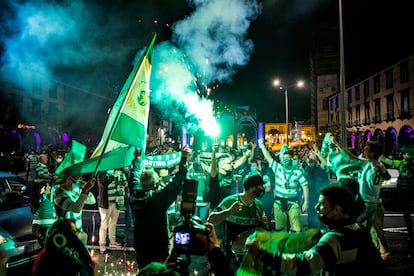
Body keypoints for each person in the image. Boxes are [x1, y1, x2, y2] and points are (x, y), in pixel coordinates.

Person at [246, 185, 393, 276]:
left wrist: (260, 253)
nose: (316, 208)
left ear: (337, 210)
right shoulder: (358, 229)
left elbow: (302, 265)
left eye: (321, 205)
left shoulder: (335, 239)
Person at [130, 146, 191, 270]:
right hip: (158, 248)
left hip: (140, 247)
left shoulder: (134, 193)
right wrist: (183, 159)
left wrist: (136, 159)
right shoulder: (158, 198)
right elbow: (177, 183)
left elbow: (134, 176)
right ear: (154, 184)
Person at [207, 173, 269, 270]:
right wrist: (229, 211)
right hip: (232, 254)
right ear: (252, 188)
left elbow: (262, 230)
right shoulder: (231, 201)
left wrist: (264, 224)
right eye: (260, 186)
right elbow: (211, 219)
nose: (262, 188)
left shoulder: (258, 205)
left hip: (253, 256)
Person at [258, 138, 309, 232]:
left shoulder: (297, 172)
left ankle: (296, 246)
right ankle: (281, 245)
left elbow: (305, 186)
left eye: (288, 158)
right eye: (284, 158)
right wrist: (261, 146)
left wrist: (305, 201)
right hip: (279, 202)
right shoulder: (278, 168)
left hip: (292, 202)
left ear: (291, 159)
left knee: (297, 229)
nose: (285, 160)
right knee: (280, 228)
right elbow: (269, 158)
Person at [380, 142, 414, 255]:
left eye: (407, 153)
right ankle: (410, 233)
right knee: (406, 213)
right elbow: (388, 161)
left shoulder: (408, 164)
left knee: (407, 213)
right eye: (404, 153)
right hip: (403, 193)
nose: (405, 156)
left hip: (410, 192)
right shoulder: (402, 164)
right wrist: (380, 155)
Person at [53, 170, 96, 245]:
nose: (79, 180)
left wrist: (86, 190)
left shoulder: (75, 191)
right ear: (66, 179)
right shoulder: (59, 194)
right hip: (66, 234)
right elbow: (76, 209)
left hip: (79, 231)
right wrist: (85, 190)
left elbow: (92, 201)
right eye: (72, 179)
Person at [97, 168, 127, 253]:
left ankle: (112, 242)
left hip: (117, 201)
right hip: (106, 203)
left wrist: (124, 183)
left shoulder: (119, 172)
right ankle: (102, 245)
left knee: (113, 223)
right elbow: (103, 184)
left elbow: (123, 182)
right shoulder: (102, 172)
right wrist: (113, 176)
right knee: (104, 224)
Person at [30, 181, 58, 247]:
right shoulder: (48, 198)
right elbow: (56, 188)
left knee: (45, 249)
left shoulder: (35, 199)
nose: (50, 188)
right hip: (47, 227)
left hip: (37, 227)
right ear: (43, 189)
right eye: (48, 187)